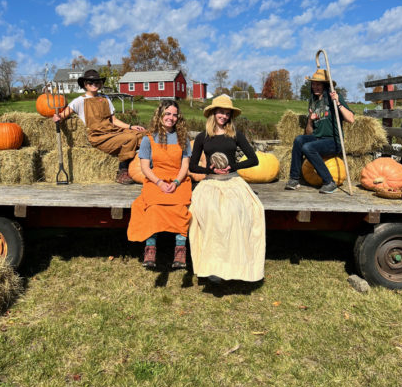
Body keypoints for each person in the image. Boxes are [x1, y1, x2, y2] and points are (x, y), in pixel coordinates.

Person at [188, 94, 265, 283]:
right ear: (213, 113)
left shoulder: (236, 135)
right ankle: (213, 267)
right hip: (211, 182)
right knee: (210, 214)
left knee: (238, 214)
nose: (223, 116)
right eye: (220, 112)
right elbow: (192, 166)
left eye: (227, 113)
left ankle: (236, 266)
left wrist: (233, 167)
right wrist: (208, 169)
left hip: (232, 181)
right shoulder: (202, 137)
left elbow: (253, 159)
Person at [127, 100, 192, 269]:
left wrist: (176, 182)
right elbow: (144, 167)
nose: (171, 118)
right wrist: (159, 182)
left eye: (174, 115)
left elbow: (185, 165)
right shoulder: (149, 138)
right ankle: (150, 249)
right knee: (153, 207)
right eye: (167, 114)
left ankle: (180, 251)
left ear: (178, 117)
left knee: (180, 207)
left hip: (179, 179)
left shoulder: (183, 138)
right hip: (156, 180)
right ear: (160, 115)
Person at [53, 69, 145, 184]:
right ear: (85, 85)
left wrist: (131, 126)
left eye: (97, 82)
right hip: (99, 136)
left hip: (112, 131)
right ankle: (122, 170)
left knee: (142, 135)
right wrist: (58, 117)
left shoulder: (105, 98)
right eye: (90, 83)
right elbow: (63, 115)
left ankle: (148, 166)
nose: (94, 85)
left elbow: (114, 120)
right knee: (131, 139)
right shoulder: (79, 101)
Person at [285, 68, 354, 194]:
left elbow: (351, 119)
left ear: (325, 85)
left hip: (333, 141)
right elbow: (309, 133)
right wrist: (310, 120)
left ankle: (329, 182)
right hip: (317, 138)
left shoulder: (333, 97)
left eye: (319, 84)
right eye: (313, 84)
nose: (315, 87)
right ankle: (294, 178)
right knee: (299, 140)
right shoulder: (313, 102)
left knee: (308, 148)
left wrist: (338, 102)